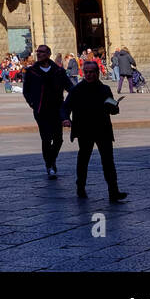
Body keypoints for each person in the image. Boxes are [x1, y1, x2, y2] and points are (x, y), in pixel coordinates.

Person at [62, 60, 127, 202]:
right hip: (84, 130)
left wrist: (114, 108)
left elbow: (112, 109)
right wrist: (66, 119)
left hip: (102, 129)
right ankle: (80, 187)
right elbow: (65, 107)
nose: (89, 74)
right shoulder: (77, 90)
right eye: (86, 72)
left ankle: (113, 191)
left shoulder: (105, 89)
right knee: (83, 160)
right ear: (83, 73)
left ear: (97, 73)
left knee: (108, 161)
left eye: (92, 72)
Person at [22, 44, 74, 179]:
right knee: (46, 138)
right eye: (38, 52)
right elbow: (26, 91)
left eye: (42, 52)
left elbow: (70, 87)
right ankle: (49, 164)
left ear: (49, 54)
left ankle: (52, 159)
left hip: (57, 109)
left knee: (58, 139)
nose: (39, 54)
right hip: (41, 110)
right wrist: (32, 103)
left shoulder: (58, 71)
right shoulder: (31, 71)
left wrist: (77, 98)